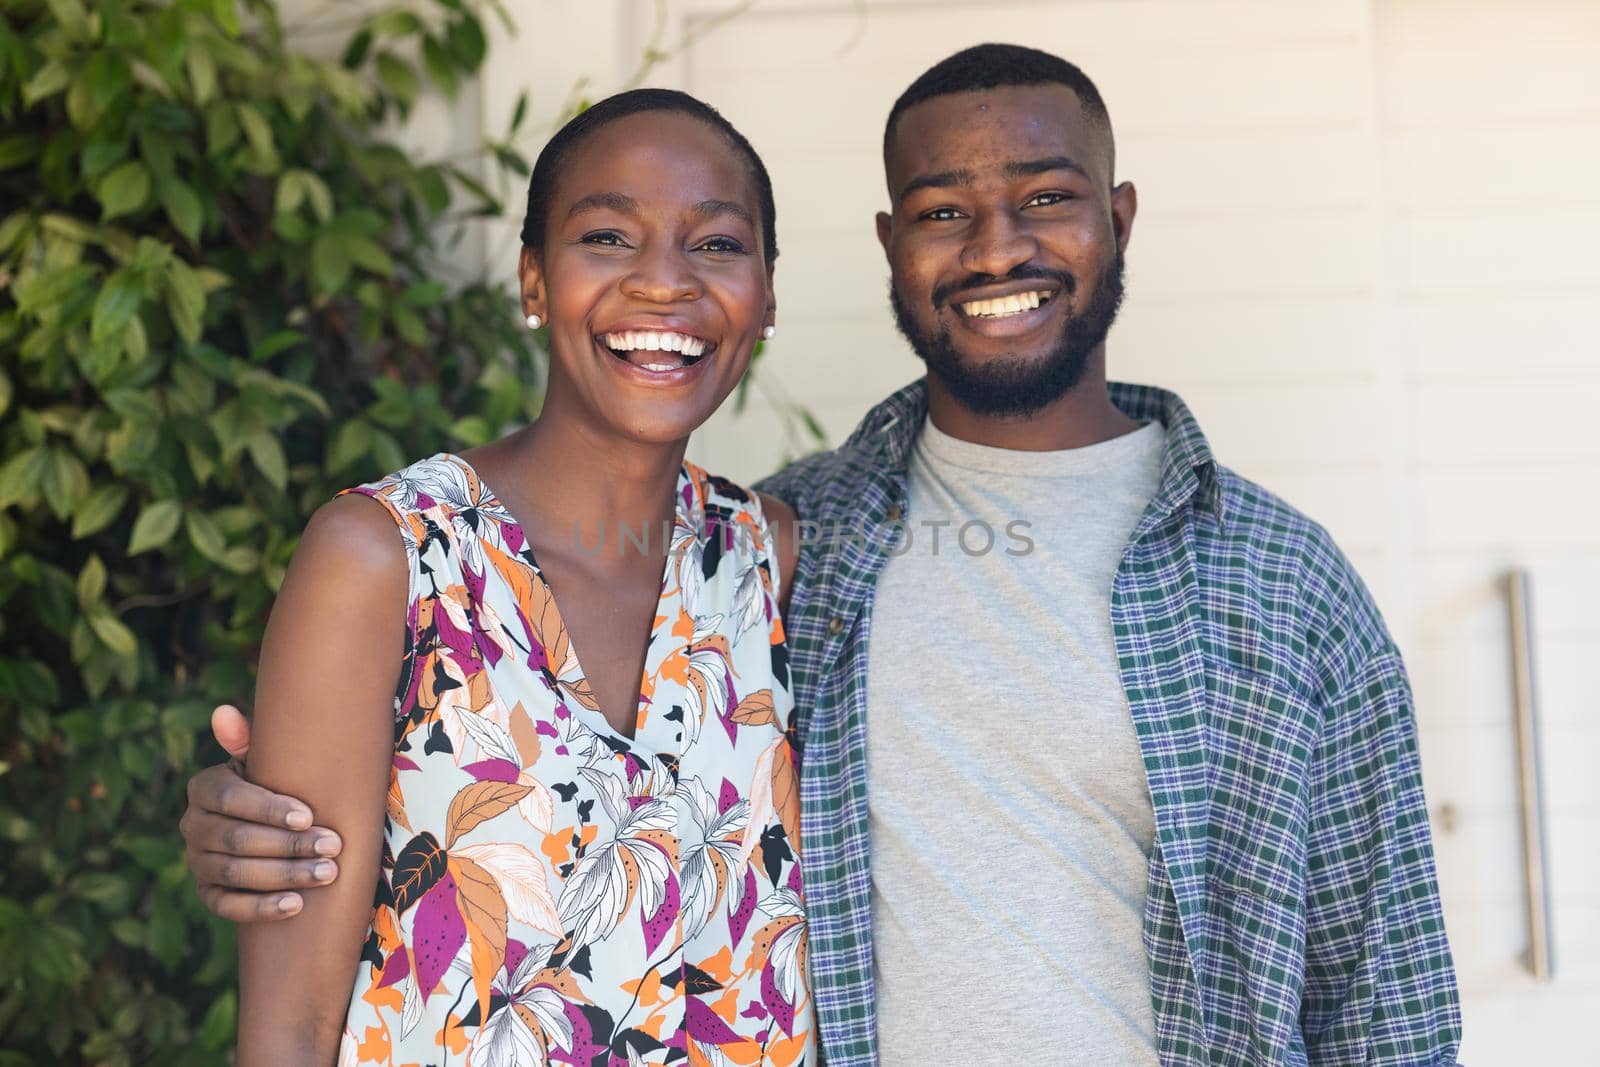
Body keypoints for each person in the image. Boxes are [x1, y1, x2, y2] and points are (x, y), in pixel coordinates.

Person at [183, 45, 1462, 1066]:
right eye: (944, 210)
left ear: (1117, 219)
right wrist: (250, 820)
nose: (999, 247)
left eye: (1047, 200)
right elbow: (319, 952)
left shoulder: (1273, 583)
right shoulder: (778, 547)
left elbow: (1390, 999)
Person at [223, 88, 815, 1066]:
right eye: (607, 237)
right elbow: (287, 1025)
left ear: (767, 294)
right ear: (534, 280)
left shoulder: (767, 560)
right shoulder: (385, 557)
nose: (664, 283)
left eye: (714, 244)